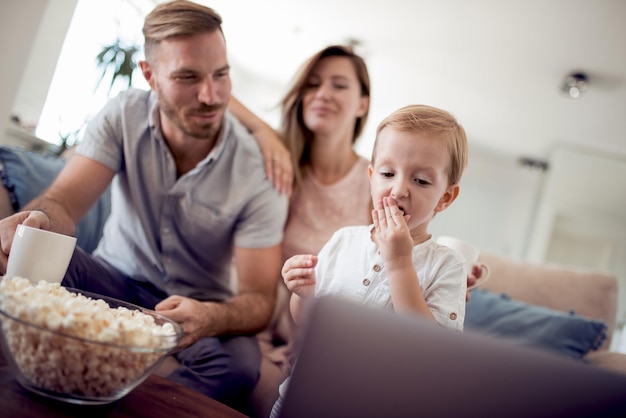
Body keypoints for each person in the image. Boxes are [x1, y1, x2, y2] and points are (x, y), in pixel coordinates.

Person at [0, 0, 288, 413]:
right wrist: (39, 221)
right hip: (111, 279)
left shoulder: (259, 171)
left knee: (238, 368)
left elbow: (259, 298)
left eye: (221, 75)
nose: (211, 95)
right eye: (188, 77)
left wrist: (210, 317)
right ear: (149, 75)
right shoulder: (124, 114)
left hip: (199, 305)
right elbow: (64, 201)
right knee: (28, 261)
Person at [273, 103, 469, 417]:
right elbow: (307, 321)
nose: (399, 189)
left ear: (445, 197)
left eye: (421, 181)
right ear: (371, 176)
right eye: (387, 173)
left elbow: (433, 354)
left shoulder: (448, 266)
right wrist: (303, 294)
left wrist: (400, 263)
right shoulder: (344, 240)